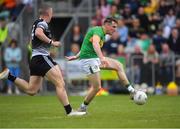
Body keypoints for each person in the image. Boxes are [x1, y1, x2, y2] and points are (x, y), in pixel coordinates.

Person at [0, 4, 86, 116]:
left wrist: (46, 48)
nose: (52, 15)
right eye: (51, 13)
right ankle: (69, 112)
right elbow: (38, 33)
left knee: (31, 90)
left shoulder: (36, 23)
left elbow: (32, 42)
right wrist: (52, 43)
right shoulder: (42, 23)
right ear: (48, 13)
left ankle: (9, 76)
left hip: (36, 59)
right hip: (42, 58)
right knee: (60, 83)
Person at [66, 17, 135, 112]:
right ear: (107, 25)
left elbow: (86, 44)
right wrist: (102, 58)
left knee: (119, 65)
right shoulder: (98, 31)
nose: (115, 29)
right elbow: (95, 44)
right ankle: (83, 107)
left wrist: (76, 56)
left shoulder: (101, 33)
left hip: (93, 58)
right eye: (113, 27)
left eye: (116, 27)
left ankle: (131, 90)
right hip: (88, 60)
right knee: (97, 87)